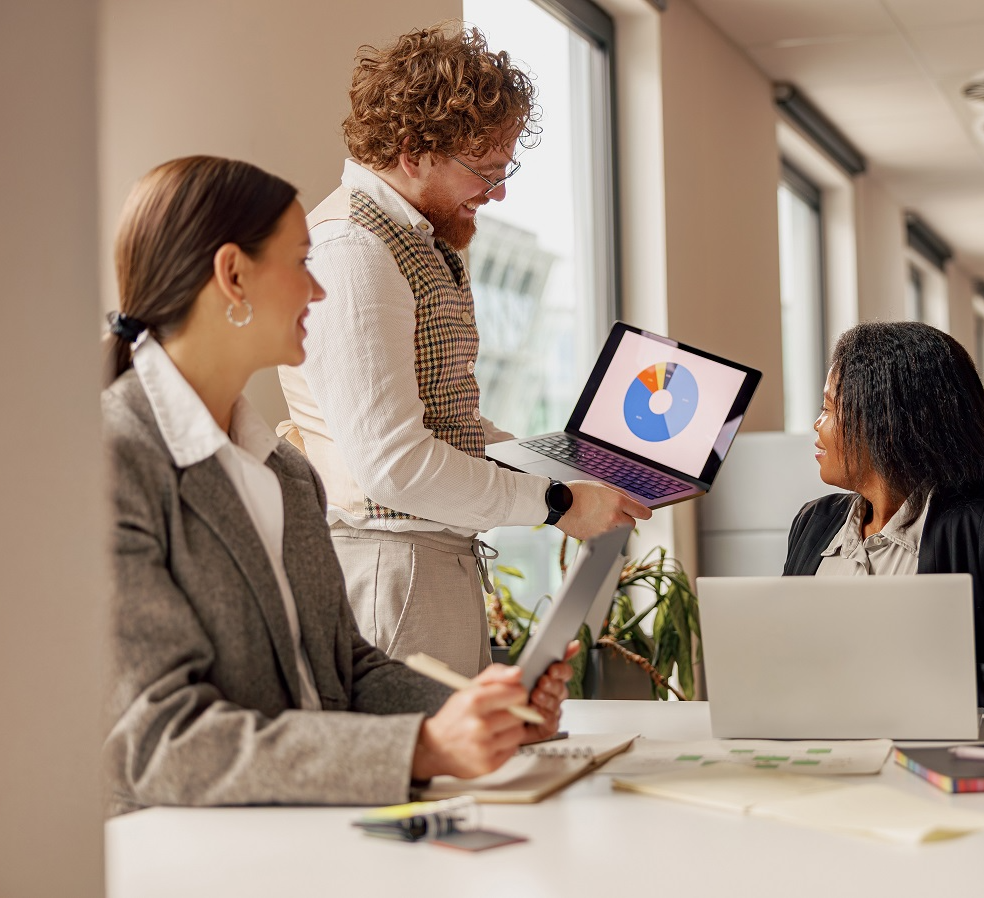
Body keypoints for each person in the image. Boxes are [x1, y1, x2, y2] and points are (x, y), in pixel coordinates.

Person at [101, 156, 576, 817]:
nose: (319, 291)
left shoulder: (286, 473)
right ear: (233, 276)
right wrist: (422, 749)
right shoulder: (113, 464)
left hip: (298, 834)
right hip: (176, 849)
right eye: (302, 263)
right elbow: (161, 742)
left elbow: (344, 673)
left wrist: (483, 716)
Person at [278, 22, 649, 677]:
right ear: (413, 151)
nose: (498, 192)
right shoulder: (354, 251)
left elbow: (446, 426)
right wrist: (558, 504)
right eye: (485, 171)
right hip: (391, 571)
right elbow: (395, 466)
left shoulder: (412, 239)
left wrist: (564, 468)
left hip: (424, 565)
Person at [783, 322, 984, 712]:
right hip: (811, 733)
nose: (817, 425)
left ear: (883, 422)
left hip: (922, 743)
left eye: (828, 408)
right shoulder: (813, 522)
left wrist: (936, 688)